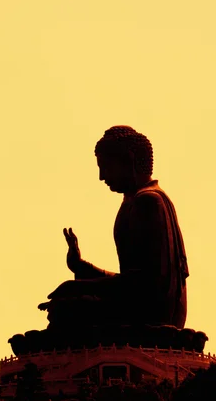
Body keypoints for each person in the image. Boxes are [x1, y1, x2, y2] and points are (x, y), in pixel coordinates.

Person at [42, 125, 189, 328]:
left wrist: (78, 287)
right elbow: (129, 280)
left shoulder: (148, 202)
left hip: (151, 316)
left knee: (65, 310)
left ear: (128, 161)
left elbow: (148, 284)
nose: (102, 177)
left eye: (106, 167)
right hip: (135, 305)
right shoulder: (133, 201)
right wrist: (82, 268)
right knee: (64, 307)